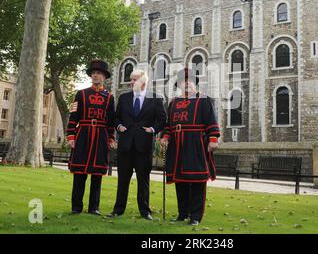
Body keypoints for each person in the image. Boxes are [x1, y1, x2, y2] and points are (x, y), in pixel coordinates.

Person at [160, 68, 220, 226]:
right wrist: (166, 136)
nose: (186, 83)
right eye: (183, 81)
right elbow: (168, 125)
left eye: (189, 80)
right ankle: (182, 213)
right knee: (180, 181)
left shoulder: (203, 100)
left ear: (195, 83)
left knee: (197, 181)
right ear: (179, 84)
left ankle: (195, 216)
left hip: (196, 144)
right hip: (177, 145)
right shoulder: (173, 102)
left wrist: (213, 139)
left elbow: (212, 122)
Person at [108, 70, 167, 220]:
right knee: (123, 180)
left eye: (135, 80)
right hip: (125, 145)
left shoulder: (155, 99)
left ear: (143, 82)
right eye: (131, 80)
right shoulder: (124, 98)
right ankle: (118, 210)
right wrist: (119, 126)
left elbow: (162, 120)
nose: (132, 82)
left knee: (143, 181)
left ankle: (145, 211)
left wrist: (153, 129)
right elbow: (115, 118)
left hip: (144, 145)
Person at [66, 60, 116, 215]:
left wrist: (111, 138)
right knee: (79, 173)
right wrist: (70, 136)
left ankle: (94, 207)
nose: (96, 75)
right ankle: (76, 207)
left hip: (101, 135)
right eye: (94, 73)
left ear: (104, 77)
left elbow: (111, 120)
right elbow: (73, 117)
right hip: (83, 134)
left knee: (97, 174)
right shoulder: (80, 94)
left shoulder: (110, 97)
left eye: (99, 73)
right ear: (91, 75)